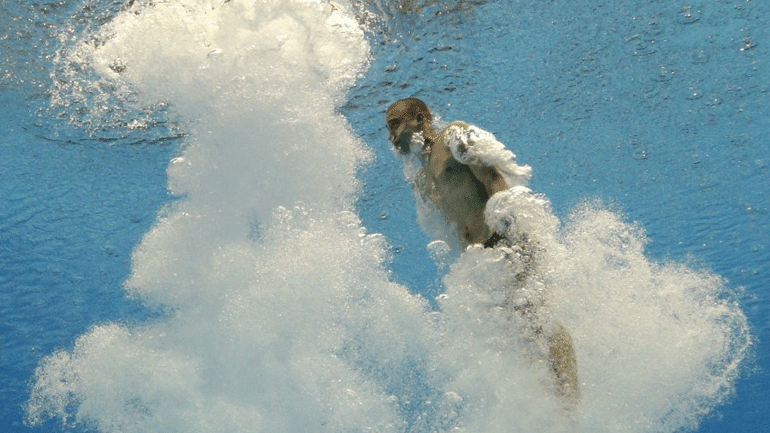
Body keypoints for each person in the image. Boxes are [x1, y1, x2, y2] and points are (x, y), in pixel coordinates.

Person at [386, 97, 580, 402]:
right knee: (521, 336)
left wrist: (508, 231)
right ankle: (557, 406)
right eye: (388, 130)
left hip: (505, 242)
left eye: (396, 124)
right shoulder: (422, 175)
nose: (392, 136)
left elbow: (492, 176)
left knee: (538, 317)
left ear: (421, 118)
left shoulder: (453, 136)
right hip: (482, 263)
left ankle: (573, 397)